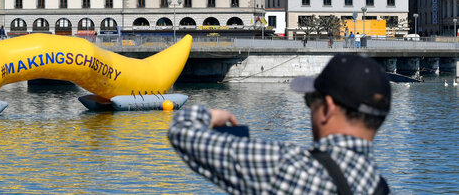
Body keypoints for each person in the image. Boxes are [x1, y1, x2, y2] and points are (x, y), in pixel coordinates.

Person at [168, 54, 391, 194]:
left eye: (310, 100)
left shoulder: (289, 167)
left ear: (328, 108)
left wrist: (209, 114)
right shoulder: (377, 185)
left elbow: (182, 131)